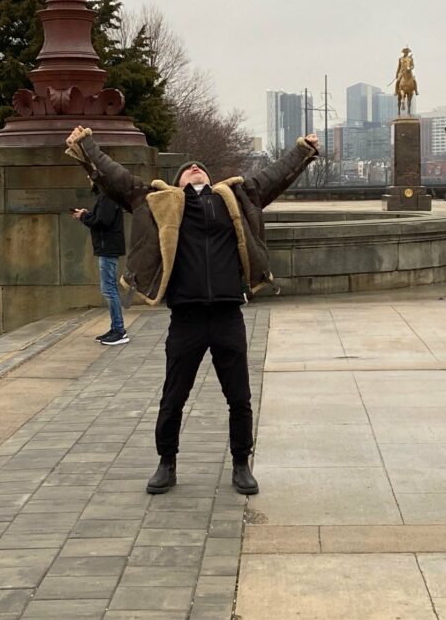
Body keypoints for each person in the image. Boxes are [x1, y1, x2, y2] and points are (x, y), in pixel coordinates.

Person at [65, 126, 319, 495]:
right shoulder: (158, 201)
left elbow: (274, 177)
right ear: (177, 181)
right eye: (189, 168)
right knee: (174, 396)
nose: (196, 168)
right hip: (185, 317)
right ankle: (166, 463)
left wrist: (303, 149)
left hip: (227, 314)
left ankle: (240, 464)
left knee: (239, 397)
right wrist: (85, 145)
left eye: (201, 168)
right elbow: (114, 175)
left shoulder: (233, 197)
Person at [72, 184, 129, 346]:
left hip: (108, 248)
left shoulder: (108, 196)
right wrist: (86, 214)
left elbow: (103, 221)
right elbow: (102, 218)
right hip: (107, 247)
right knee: (109, 288)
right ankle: (115, 328)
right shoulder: (107, 195)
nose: (88, 179)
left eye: (91, 176)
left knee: (109, 288)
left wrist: (83, 217)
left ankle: (119, 330)